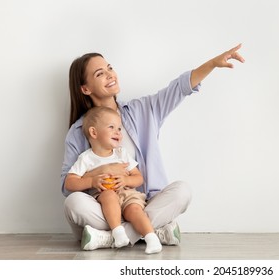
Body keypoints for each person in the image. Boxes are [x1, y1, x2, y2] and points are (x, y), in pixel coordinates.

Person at [61, 44, 245, 250]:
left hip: (141, 203)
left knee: (182, 191)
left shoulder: (143, 110)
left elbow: (178, 88)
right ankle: (150, 231)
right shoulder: (78, 131)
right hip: (103, 207)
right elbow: (66, 187)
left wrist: (212, 64)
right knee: (74, 203)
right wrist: (99, 174)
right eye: (100, 73)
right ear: (86, 89)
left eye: (110, 68)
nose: (110, 75)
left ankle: (109, 237)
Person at [65, 106, 161, 254]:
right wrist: (91, 182)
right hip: (103, 198)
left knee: (135, 209)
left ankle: (152, 238)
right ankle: (118, 232)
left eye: (119, 128)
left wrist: (125, 180)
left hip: (127, 195)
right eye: (112, 127)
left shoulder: (122, 154)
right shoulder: (86, 158)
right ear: (93, 132)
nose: (118, 132)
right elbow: (70, 182)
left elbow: (139, 178)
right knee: (108, 195)